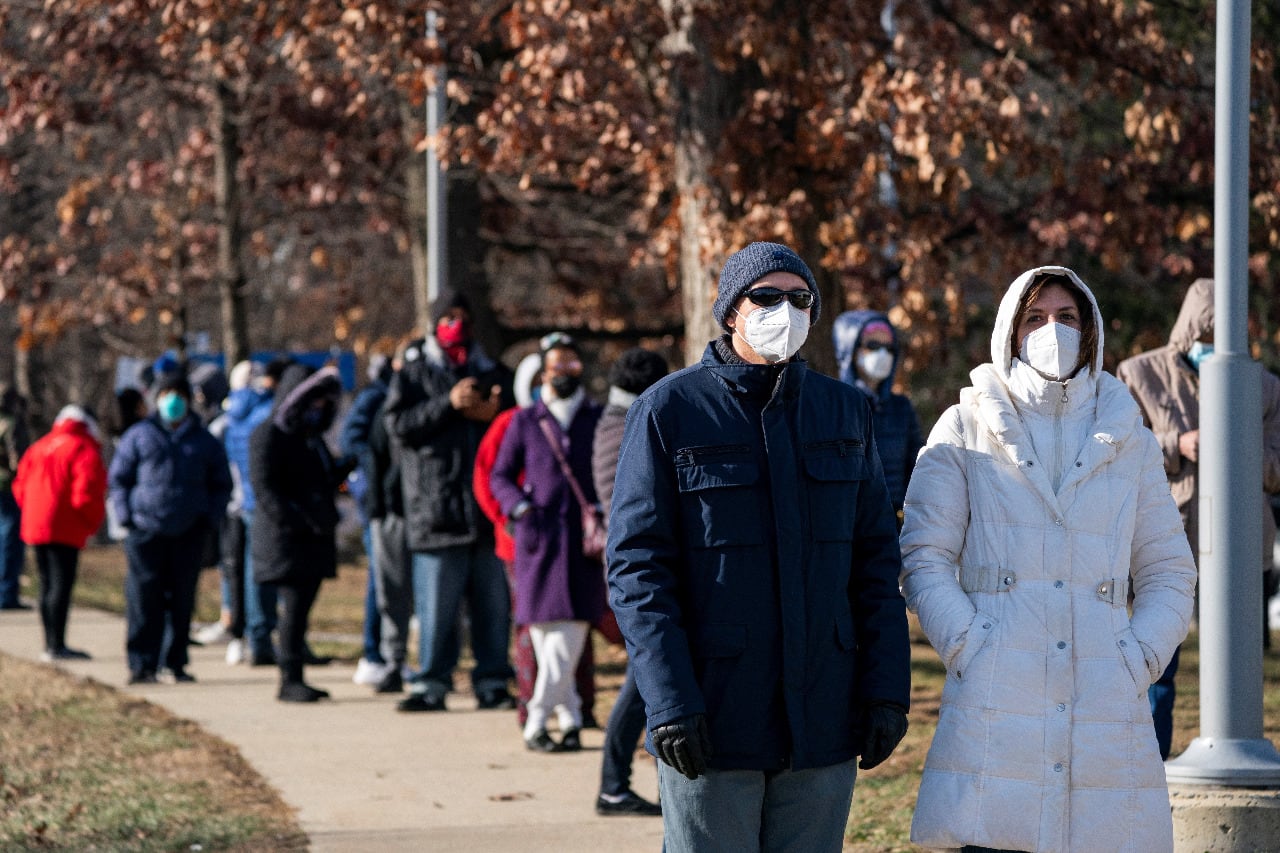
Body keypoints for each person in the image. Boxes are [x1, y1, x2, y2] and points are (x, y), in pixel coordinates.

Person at [607, 242, 911, 852]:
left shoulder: (846, 411)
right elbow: (638, 569)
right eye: (766, 297)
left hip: (823, 717)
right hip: (713, 716)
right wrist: (667, 701)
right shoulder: (669, 410)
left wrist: (886, 689)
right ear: (730, 311)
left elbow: (876, 563)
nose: (785, 311)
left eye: (799, 299)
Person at [900, 266, 1198, 852]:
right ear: (1010, 331)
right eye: (1034, 318)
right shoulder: (964, 426)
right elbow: (923, 557)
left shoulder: (1128, 434)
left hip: (1106, 698)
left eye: (1066, 318)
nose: (1051, 331)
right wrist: (968, 641)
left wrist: (1139, 656)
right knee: (994, 838)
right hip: (996, 693)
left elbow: (1168, 569)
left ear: (1090, 332)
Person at [1116, 276, 1280, 757]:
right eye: (1204, 340)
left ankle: (1239, 751)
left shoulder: (1264, 388)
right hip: (1164, 540)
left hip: (1239, 543)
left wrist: (1238, 447)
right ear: (1188, 331)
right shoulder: (1138, 373)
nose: (1212, 350)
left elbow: (1276, 464)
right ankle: (1148, 765)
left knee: (1237, 668)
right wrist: (1178, 445)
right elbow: (1120, 448)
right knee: (1157, 663)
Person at [384, 293, 516, 712]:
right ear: (433, 323)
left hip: (486, 515)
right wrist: (448, 404)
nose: (455, 324)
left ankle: (493, 681)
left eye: (462, 316)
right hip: (435, 514)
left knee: (493, 610)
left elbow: (519, 428)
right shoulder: (414, 375)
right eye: (446, 317)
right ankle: (431, 684)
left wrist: (495, 413)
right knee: (437, 612)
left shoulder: (494, 372)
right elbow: (397, 427)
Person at [491, 332, 605, 753]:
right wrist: (519, 508)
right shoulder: (525, 420)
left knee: (572, 630)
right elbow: (499, 475)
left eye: (572, 364)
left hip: (582, 546)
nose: (565, 372)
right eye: (557, 365)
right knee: (543, 634)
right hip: (537, 544)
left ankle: (537, 719)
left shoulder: (595, 417)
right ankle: (570, 716)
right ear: (543, 370)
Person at [109, 372, 232, 684]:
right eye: (166, 394)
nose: (173, 401)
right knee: (143, 599)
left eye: (178, 393)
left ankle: (174, 662)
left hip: (189, 531)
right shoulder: (139, 435)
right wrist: (126, 518)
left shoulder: (204, 440)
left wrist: (208, 518)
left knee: (181, 600)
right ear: (157, 398)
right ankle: (141, 664)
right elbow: (119, 479)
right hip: (144, 531)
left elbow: (221, 484)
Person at [591, 347, 667, 815]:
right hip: (640, 573)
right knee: (644, 681)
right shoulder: (629, 426)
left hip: (633, 569)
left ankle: (632, 784)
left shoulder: (614, 420)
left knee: (648, 679)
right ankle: (612, 785)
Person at [249, 364, 351, 702]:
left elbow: (321, 478)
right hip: (288, 541)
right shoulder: (268, 434)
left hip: (312, 538)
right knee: (291, 610)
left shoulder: (311, 439)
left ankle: (296, 670)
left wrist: (345, 467)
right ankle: (289, 677)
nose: (318, 408)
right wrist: (295, 521)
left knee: (301, 610)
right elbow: (266, 489)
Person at [12, 404, 107, 659]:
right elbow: (86, 494)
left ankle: (49, 643)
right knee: (60, 586)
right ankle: (57, 644)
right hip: (65, 526)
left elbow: (19, 485)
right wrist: (90, 524)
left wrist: (33, 511)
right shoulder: (83, 448)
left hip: (36, 523)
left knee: (46, 584)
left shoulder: (40, 445)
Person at [223, 357, 290, 667]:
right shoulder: (265, 412)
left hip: (247, 500)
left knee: (251, 568)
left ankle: (255, 634)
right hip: (266, 500)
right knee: (264, 571)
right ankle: (262, 635)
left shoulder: (233, 416)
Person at [833, 310, 925, 524]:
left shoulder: (901, 407)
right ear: (850, 349)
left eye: (889, 348)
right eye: (873, 346)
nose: (882, 354)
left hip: (894, 521)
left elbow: (917, 468)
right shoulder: (834, 405)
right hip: (848, 522)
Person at [340, 352, 395, 688]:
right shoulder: (375, 396)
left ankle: (387, 653)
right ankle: (374, 653)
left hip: (394, 500)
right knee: (381, 578)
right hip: (377, 501)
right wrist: (372, 475)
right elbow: (351, 442)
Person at [0, 385, 31, 610]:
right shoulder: (10, 423)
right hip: (8, 487)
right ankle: (7, 594)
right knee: (11, 539)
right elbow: (16, 459)